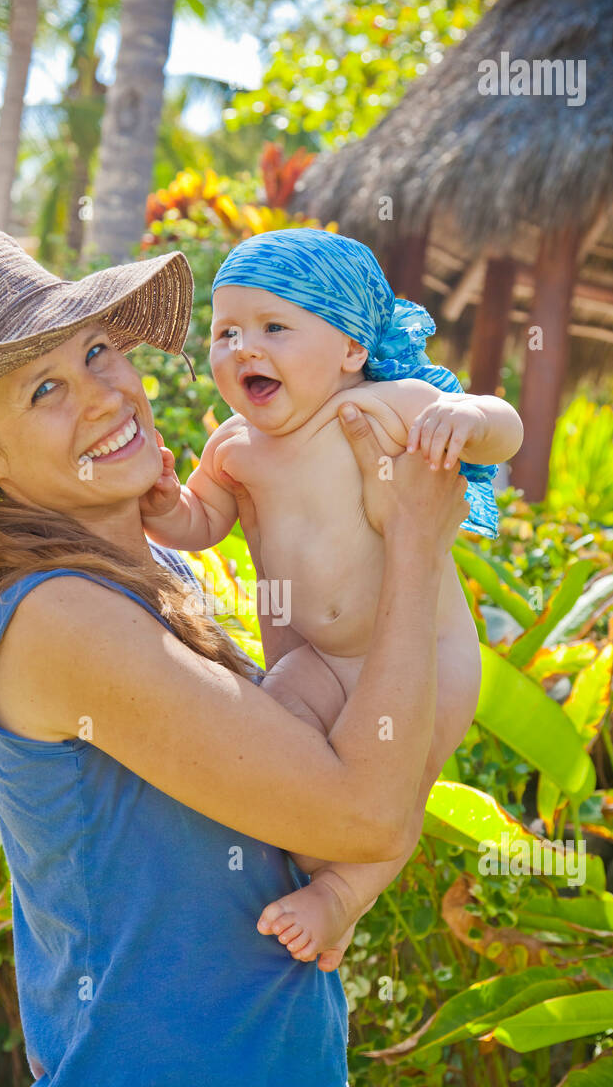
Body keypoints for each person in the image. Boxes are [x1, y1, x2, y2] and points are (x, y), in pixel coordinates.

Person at [0, 221, 469, 1087]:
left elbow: (321, 778)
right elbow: (361, 809)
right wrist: (414, 549)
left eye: (94, 352)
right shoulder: (63, 620)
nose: (104, 395)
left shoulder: (148, 578)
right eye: (42, 391)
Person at [141, 227, 524, 970]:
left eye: (275, 328)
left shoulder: (394, 405)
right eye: (226, 333)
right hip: (321, 657)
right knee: (272, 740)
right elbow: (200, 523)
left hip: (430, 659)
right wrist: (162, 500)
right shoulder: (232, 445)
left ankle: (344, 897)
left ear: (351, 348)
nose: (244, 348)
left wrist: (466, 419)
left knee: (397, 792)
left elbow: (503, 432)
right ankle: (290, 867)